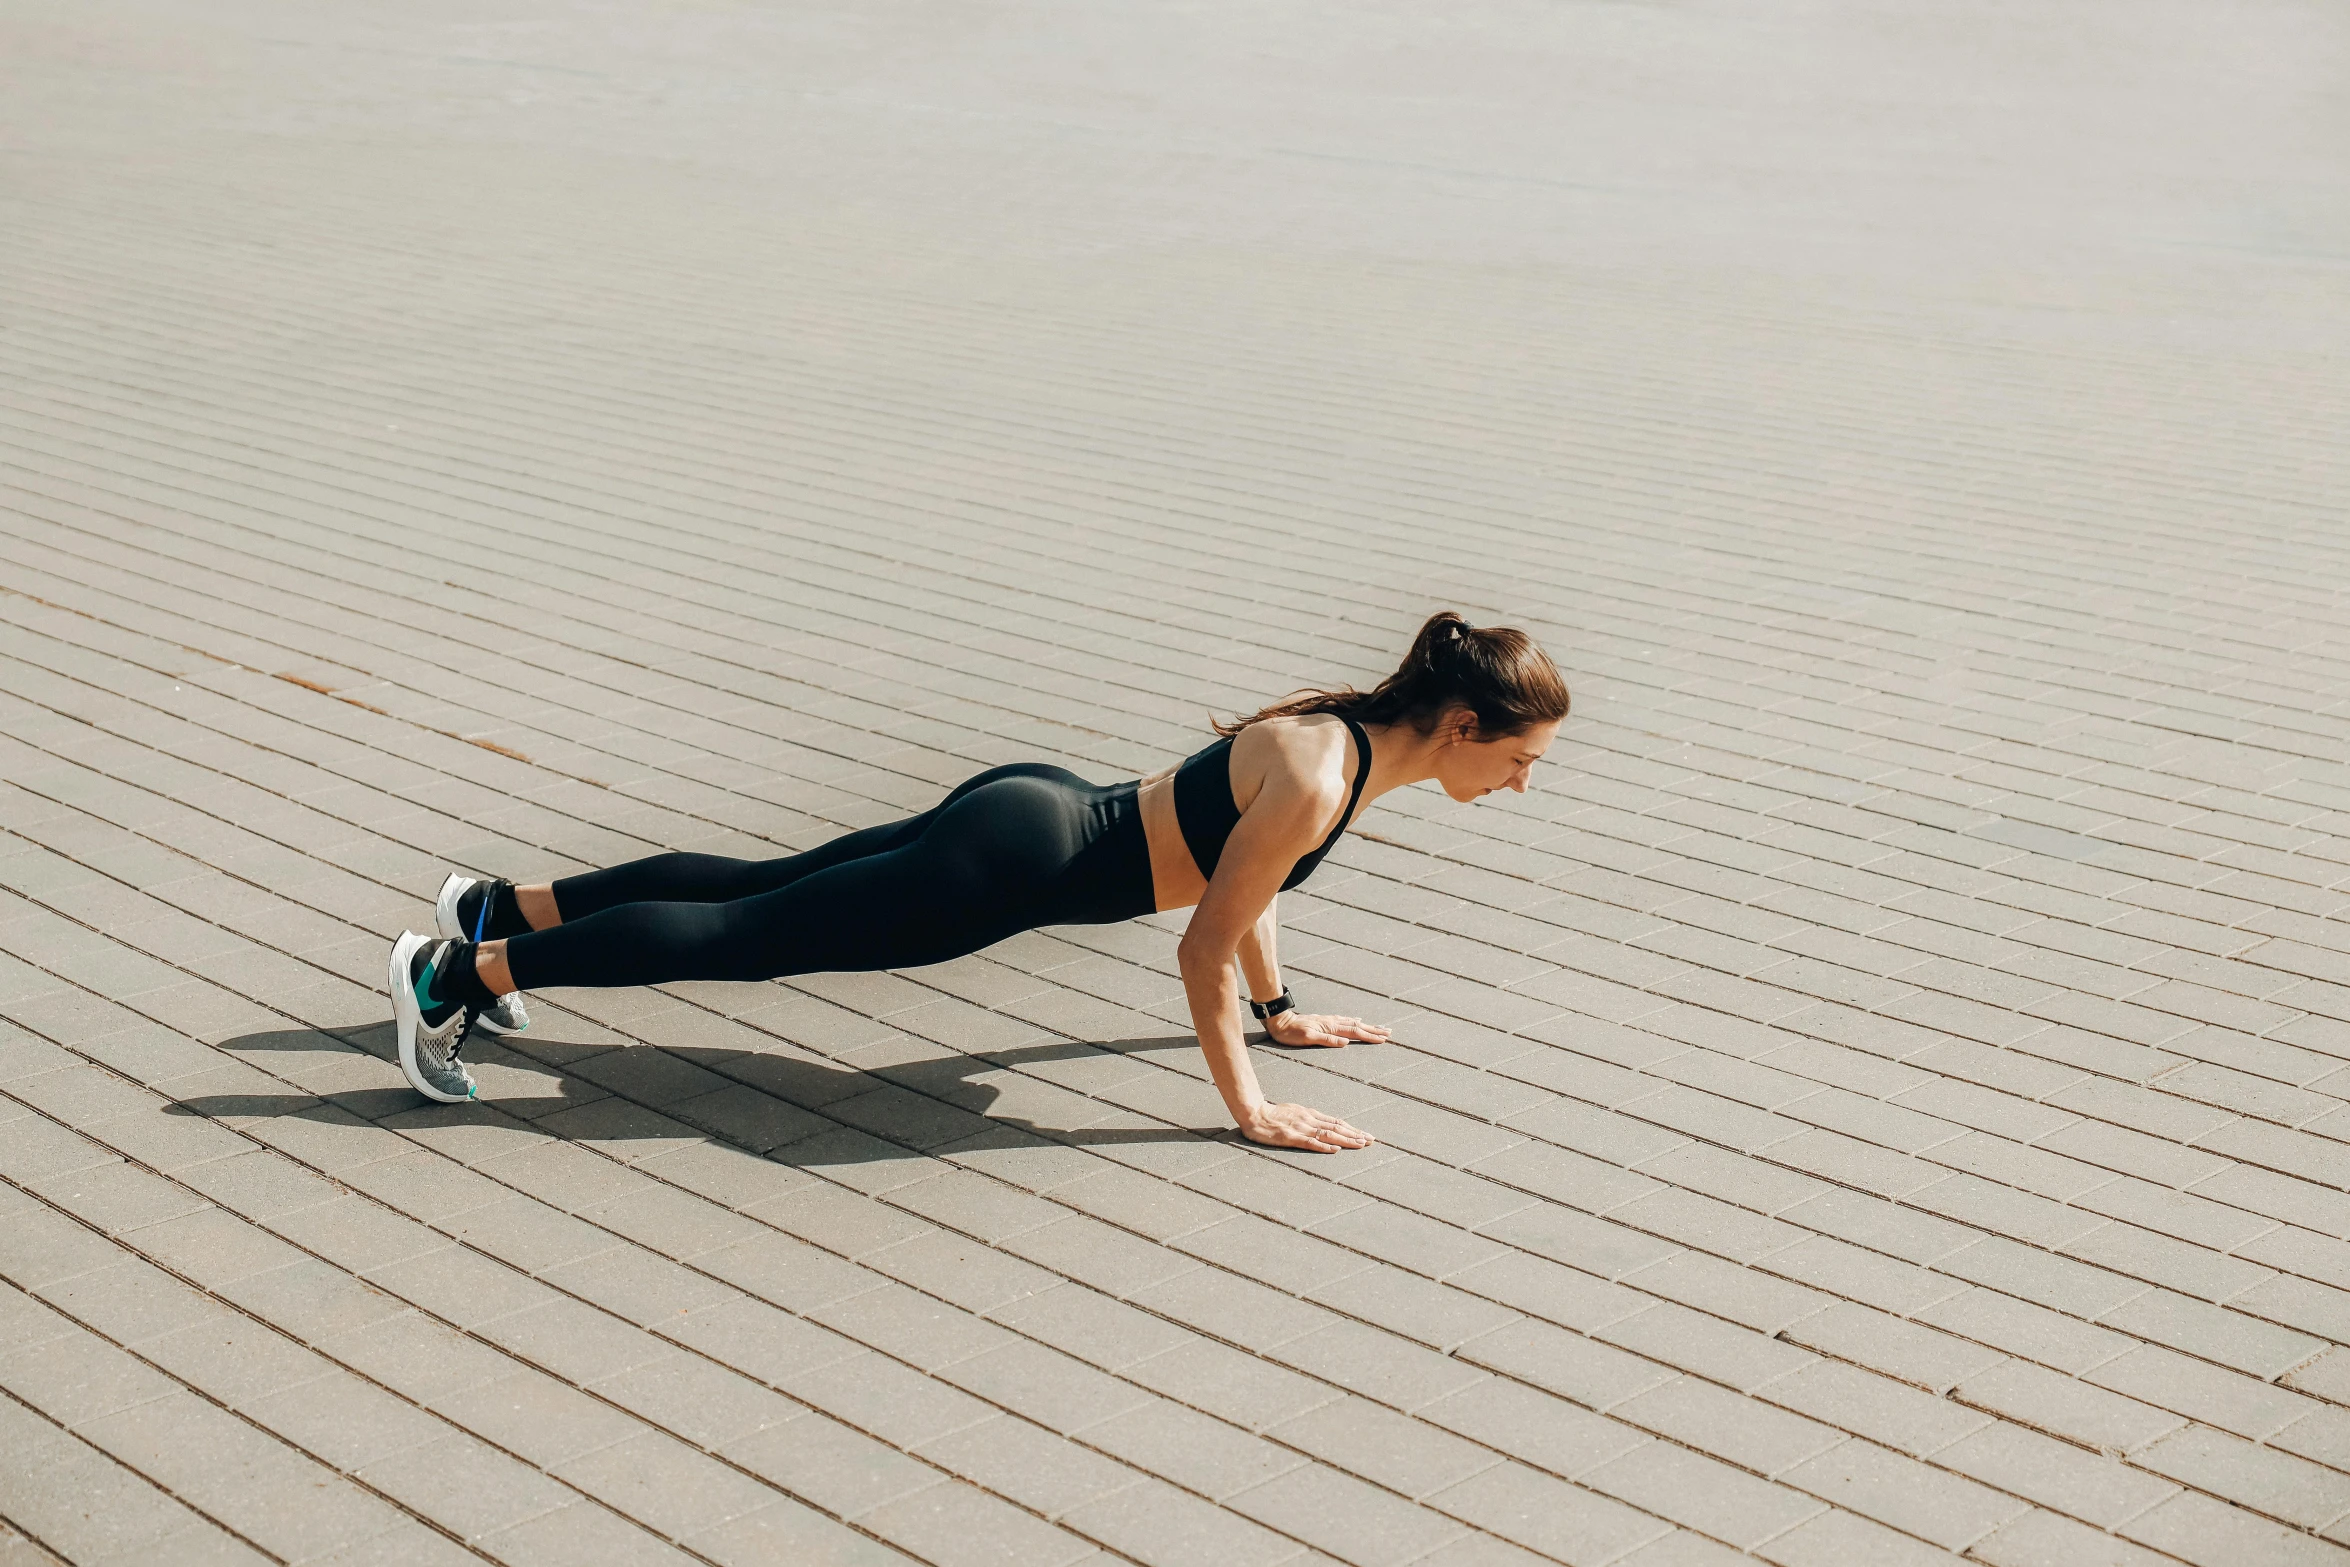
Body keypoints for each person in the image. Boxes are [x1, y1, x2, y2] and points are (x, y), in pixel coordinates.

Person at [388, 612, 1569, 1151]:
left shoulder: (1338, 737)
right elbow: (1202, 941)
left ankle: (502, 907)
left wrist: (1278, 1010)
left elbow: (1243, 886)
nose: (1521, 786)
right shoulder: (1327, 780)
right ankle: (455, 974)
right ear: (1461, 724)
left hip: (1032, 803)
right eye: (1517, 761)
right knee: (744, 932)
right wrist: (1249, 1107)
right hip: (1009, 868)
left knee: (762, 885)